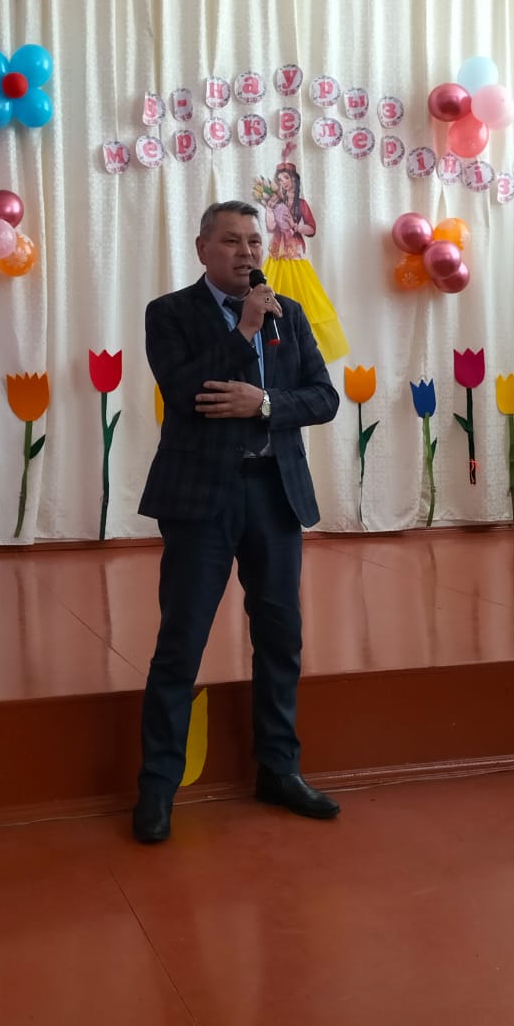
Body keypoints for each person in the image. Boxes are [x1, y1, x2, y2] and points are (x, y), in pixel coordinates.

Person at [133, 200, 341, 844]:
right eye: (231, 241)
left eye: (254, 241)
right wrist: (243, 330)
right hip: (201, 500)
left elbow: (324, 398)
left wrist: (266, 402)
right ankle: (158, 786)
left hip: (274, 495)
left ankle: (279, 769)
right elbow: (186, 393)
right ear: (202, 249)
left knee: (280, 638)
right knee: (182, 641)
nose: (247, 252)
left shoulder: (290, 313)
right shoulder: (170, 313)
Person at [260, 145, 349, 364]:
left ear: (293, 180)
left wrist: (296, 226)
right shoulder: (276, 202)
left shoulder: (301, 204)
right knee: (270, 299)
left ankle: (306, 351)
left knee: (306, 304)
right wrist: (269, 209)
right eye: (280, 179)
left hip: (296, 258)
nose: (283, 182)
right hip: (277, 257)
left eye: (286, 178)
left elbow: (311, 228)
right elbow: (270, 227)